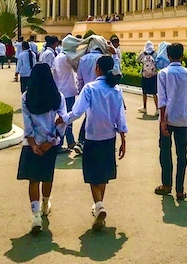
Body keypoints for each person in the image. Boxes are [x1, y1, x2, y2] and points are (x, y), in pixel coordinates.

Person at [58, 55, 127, 232]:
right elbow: (120, 116)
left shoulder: (90, 88)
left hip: (92, 137)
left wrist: (63, 119)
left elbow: (77, 112)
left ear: (97, 68)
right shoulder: (116, 89)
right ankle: (99, 206)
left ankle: (98, 204)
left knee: (92, 173)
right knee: (103, 173)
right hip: (109, 137)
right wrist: (123, 138)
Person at [17, 62, 66, 235]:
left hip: (33, 144)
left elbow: (27, 123)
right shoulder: (57, 96)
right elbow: (62, 120)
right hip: (50, 144)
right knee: (47, 176)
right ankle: (46, 203)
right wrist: (51, 142)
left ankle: (36, 215)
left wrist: (33, 144)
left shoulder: (27, 97)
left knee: (33, 179)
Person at [154, 43, 187, 201]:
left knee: (165, 152)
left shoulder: (163, 73)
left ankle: (166, 184)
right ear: (182, 56)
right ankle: (180, 190)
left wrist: (162, 121)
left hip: (167, 118)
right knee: (182, 154)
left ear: (168, 56)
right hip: (183, 118)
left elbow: (162, 99)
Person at [52, 41, 80, 152]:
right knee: (67, 119)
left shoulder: (59, 57)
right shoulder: (66, 58)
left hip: (62, 90)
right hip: (68, 92)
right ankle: (66, 142)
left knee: (64, 118)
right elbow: (77, 67)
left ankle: (69, 141)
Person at [136, 40, 159, 115]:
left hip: (145, 75)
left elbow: (137, 60)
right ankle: (157, 109)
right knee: (154, 92)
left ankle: (145, 108)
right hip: (154, 75)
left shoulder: (143, 54)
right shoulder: (155, 53)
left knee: (144, 92)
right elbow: (158, 62)